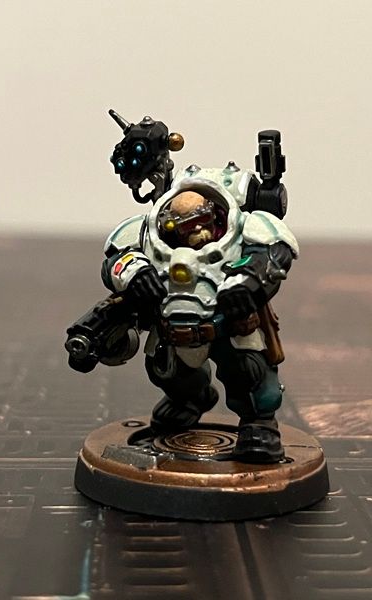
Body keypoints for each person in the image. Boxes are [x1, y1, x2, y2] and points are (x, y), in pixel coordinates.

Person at [100, 169, 298, 463]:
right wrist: (135, 272)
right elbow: (116, 257)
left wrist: (248, 280)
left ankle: (259, 425)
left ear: (215, 215)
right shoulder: (149, 232)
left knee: (249, 372)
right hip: (171, 329)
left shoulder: (243, 227)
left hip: (228, 326)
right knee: (166, 370)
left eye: (203, 221)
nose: (198, 232)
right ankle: (190, 401)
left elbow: (275, 252)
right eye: (186, 226)